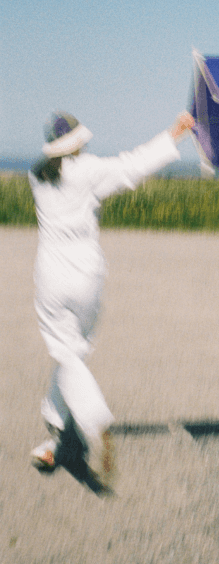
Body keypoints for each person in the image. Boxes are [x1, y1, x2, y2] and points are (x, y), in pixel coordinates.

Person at [28, 110, 195, 488]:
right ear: (78, 141)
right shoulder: (88, 170)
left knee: (67, 354)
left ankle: (91, 421)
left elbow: (63, 170)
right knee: (73, 353)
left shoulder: (36, 175)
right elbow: (133, 166)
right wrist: (176, 132)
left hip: (51, 277)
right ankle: (55, 433)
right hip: (87, 276)